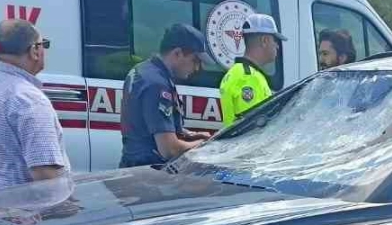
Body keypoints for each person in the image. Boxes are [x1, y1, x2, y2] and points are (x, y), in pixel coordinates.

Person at [0, 19, 69, 193]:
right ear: (34, 50)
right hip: (20, 206)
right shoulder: (30, 101)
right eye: (44, 44)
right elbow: (45, 174)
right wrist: (69, 205)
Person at [119, 23, 215, 167]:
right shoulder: (157, 84)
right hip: (148, 171)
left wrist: (192, 135)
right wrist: (203, 146)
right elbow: (169, 149)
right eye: (195, 60)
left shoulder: (143, 70)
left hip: (133, 165)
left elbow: (149, 127)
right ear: (177, 53)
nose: (197, 68)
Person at [219, 13, 285, 128]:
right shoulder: (249, 78)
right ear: (264, 40)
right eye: (275, 40)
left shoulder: (237, 72)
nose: (277, 46)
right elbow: (254, 129)